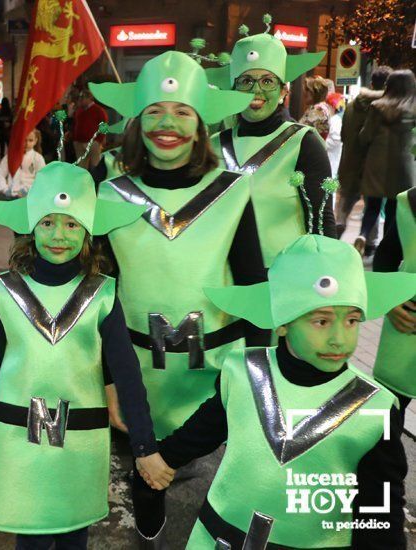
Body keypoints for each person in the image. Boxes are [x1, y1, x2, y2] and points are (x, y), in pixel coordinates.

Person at [134, 234, 414, 548]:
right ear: (281, 322)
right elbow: (205, 429)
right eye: (321, 321)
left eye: (351, 321)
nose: (340, 339)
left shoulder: (377, 409)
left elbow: (382, 508)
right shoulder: (242, 371)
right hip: (217, 538)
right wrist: (160, 459)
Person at [0, 161, 169, 548]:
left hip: (81, 443)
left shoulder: (102, 294)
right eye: (47, 223)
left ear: (87, 232)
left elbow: (126, 373)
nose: (58, 235)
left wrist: (144, 446)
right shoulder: (5, 291)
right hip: (16, 438)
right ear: (31, 227)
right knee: (27, 534)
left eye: (71, 224)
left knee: (73, 535)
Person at [90, 51, 269, 451]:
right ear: (137, 122)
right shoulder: (110, 194)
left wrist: (260, 378)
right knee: (143, 483)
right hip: (134, 377)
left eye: (183, 112)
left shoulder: (233, 191)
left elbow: (254, 287)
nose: (167, 123)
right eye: (154, 111)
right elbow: (99, 298)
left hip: (218, 379)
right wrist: (108, 379)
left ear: (202, 124)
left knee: (216, 492)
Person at [207, 16, 335, 267]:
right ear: (233, 89)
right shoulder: (212, 146)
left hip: (284, 278)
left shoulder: (303, 143)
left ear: (283, 91)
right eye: (246, 81)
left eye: (267, 81)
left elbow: (322, 222)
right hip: (222, 280)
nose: (256, 90)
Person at [354, 69, 416, 257]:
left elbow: (365, 137)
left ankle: (364, 235)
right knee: (394, 208)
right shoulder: (413, 110)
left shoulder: (376, 107)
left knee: (372, 206)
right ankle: (386, 249)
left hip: (377, 163)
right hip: (403, 166)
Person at [373, 187, 416, 419]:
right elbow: (386, 254)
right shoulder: (410, 201)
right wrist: (388, 302)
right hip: (405, 327)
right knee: (388, 418)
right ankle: (385, 456)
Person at [336, 66, 392, 235]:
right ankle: (369, 241)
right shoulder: (386, 109)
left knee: (344, 205)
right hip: (373, 165)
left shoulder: (352, 105)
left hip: (350, 161)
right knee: (373, 206)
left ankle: (336, 232)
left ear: (372, 83)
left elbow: (344, 134)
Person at [0, 129, 46, 198]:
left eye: (30, 140)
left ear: (35, 141)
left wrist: (29, 190)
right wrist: (4, 189)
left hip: (30, 196)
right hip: (12, 195)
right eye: (24, 140)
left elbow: (42, 179)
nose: (27, 143)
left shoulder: (38, 158)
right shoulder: (10, 157)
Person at [70, 88, 108, 170]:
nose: (80, 100)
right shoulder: (79, 110)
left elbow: (104, 126)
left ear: (89, 98)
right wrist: (74, 138)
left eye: (82, 98)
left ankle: (96, 182)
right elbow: (74, 123)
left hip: (93, 143)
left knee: (96, 167)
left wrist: (98, 141)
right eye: (80, 98)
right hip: (79, 143)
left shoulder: (99, 111)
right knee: (81, 169)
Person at [325, 91, 344, 176]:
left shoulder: (335, 120)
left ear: (332, 106)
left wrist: (322, 143)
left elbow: (336, 140)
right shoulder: (338, 118)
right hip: (334, 156)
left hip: (332, 157)